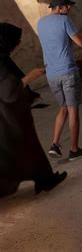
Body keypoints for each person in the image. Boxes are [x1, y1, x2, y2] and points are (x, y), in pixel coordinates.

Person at [0, 23, 67, 197]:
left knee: (21, 150)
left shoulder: (3, 58)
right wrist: (31, 77)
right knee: (23, 149)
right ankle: (44, 179)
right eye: (15, 41)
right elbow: (8, 92)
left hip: (9, 118)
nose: (18, 44)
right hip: (8, 120)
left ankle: (43, 178)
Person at [37, 0, 82, 161]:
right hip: (67, 71)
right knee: (73, 110)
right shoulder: (64, 20)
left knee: (63, 108)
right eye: (67, 6)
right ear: (60, 7)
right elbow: (80, 42)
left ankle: (55, 144)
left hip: (51, 74)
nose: (69, 9)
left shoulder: (41, 23)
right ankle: (74, 149)